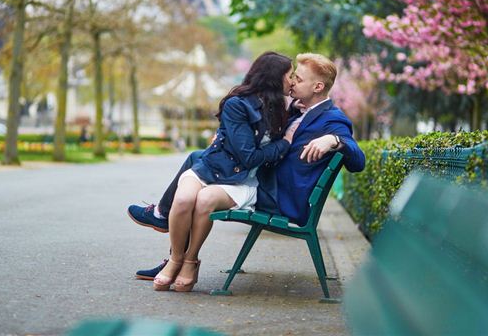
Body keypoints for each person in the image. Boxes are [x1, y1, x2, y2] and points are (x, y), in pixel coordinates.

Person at [129, 52, 366, 281]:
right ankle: (172, 245)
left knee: (201, 173)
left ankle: (170, 236)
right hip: (265, 180)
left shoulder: (332, 120)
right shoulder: (294, 109)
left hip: (277, 195)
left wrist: (335, 140)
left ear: (318, 87)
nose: (292, 82)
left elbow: (358, 160)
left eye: (299, 78)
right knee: (200, 160)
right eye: (292, 76)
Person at [149, 51, 294, 292]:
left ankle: (190, 260)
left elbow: (249, 161)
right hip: (213, 168)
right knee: (184, 199)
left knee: (205, 200)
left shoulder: (283, 107)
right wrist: (284, 143)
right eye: (290, 75)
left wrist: (330, 139)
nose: (293, 80)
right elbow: (249, 156)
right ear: (273, 77)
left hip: (243, 181)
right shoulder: (238, 104)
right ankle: (175, 259)